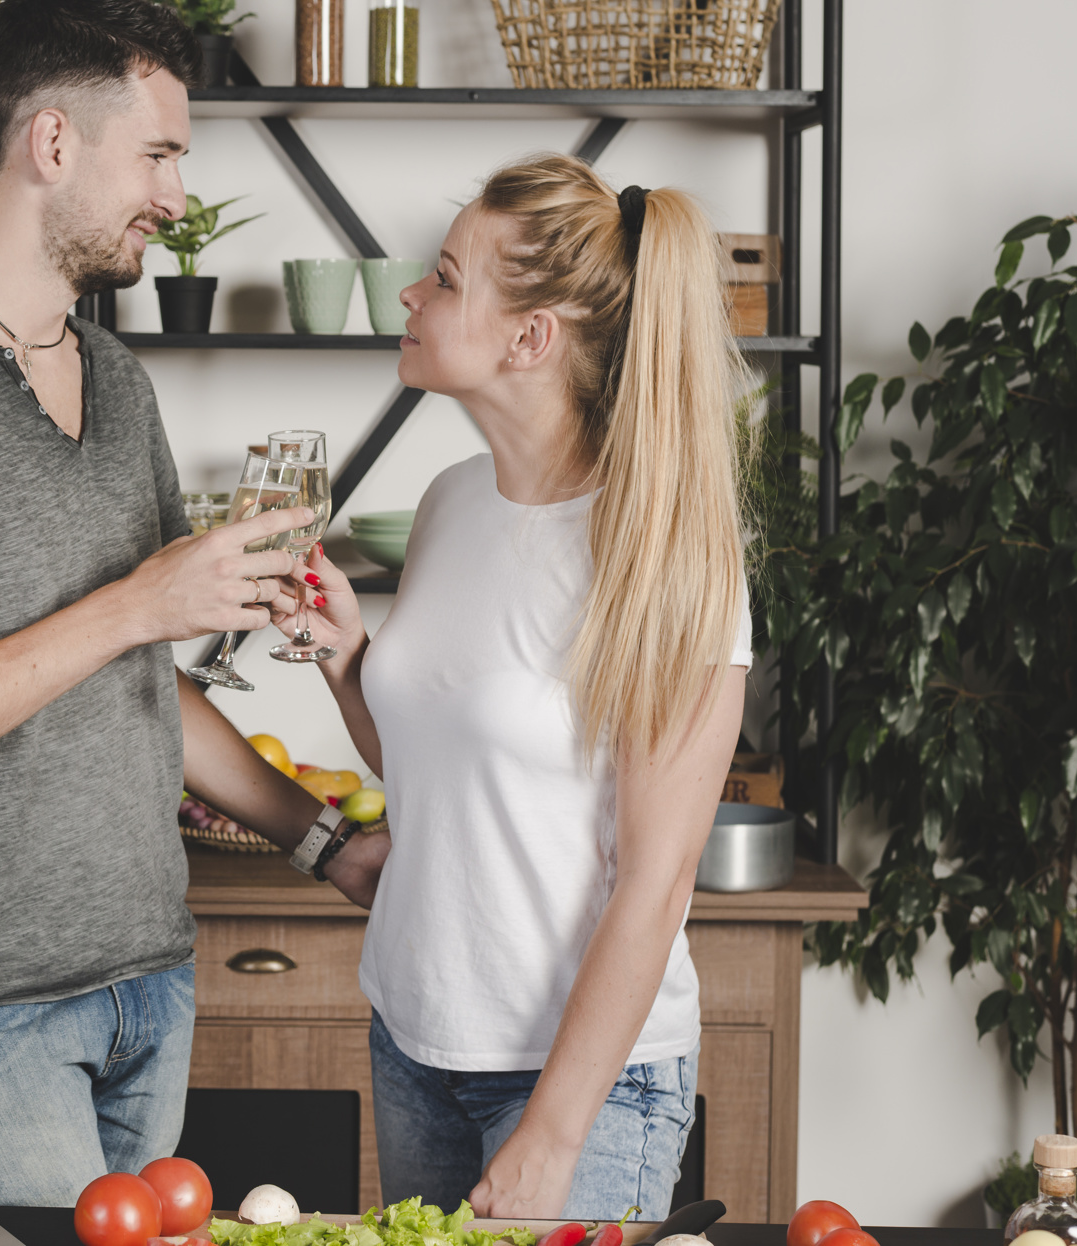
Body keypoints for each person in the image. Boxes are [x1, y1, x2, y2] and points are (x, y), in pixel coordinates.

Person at [0, 0, 387, 1209]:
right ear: (52, 142)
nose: (176, 195)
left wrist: (322, 845)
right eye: (158, 153)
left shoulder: (115, 380)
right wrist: (133, 602)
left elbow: (139, 684)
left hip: (150, 985)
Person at [273, 154, 752, 1219]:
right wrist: (351, 661)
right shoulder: (449, 501)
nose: (409, 293)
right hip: (413, 1039)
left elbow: (655, 881)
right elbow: (449, 780)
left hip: (581, 1080)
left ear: (528, 337)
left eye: (443, 278)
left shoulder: (661, 553)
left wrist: (551, 1129)